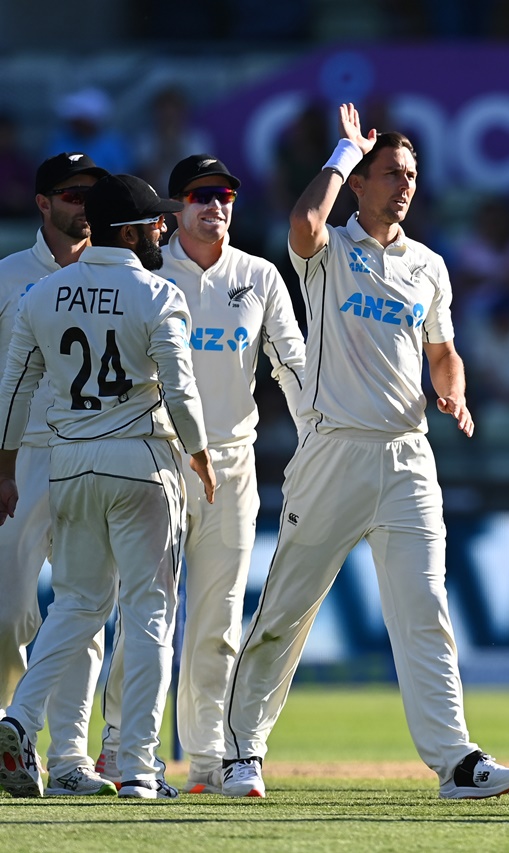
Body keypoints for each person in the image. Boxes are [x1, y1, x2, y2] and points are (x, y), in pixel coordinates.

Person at [219, 103, 509, 801]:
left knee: (425, 609)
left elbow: (444, 353)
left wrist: (453, 393)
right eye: (391, 172)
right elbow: (301, 226)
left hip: (408, 456)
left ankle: (455, 761)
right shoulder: (327, 251)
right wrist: (339, 154)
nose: (406, 185)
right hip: (335, 450)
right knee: (287, 611)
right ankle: (240, 752)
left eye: (413, 174)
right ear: (358, 183)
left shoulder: (428, 265)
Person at [93, 155, 306, 795]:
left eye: (226, 195)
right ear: (176, 208)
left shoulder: (258, 274)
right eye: (202, 196)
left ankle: (211, 759)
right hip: (158, 457)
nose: (216, 206)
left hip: (233, 461)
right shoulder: (151, 275)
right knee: (144, 612)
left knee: (217, 619)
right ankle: (119, 748)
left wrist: (318, 433)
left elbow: (292, 363)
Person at [0, 173, 215, 799]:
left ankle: (17, 718)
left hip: (69, 465)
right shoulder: (159, 295)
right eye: (156, 222)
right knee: (148, 613)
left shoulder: (44, 293)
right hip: (141, 464)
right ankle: (139, 769)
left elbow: (14, 391)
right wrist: (200, 455)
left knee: (74, 606)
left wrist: (7, 467)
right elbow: (179, 388)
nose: (165, 229)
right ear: (130, 230)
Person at [0, 152, 113, 797]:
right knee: (10, 614)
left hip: (93, 452)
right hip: (23, 458)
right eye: (72, 193)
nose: (83, 205)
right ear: (43, 202)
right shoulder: (10, 276)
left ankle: (70, 757)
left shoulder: (116, 275)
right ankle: (12, 740)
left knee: (82, 607)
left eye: (92, 195)